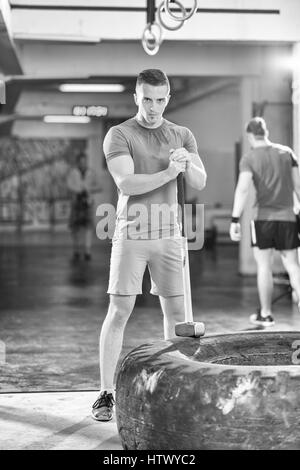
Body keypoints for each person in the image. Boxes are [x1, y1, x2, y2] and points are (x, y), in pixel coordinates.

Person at [91, 69, 207, 421]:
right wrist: (170, 173)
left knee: (175, 315)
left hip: (170, 235)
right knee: (119, 311)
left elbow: (200, 181)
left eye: (159, 99)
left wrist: (188, 165)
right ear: (136, 97)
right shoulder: (120, 134)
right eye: (146, 99)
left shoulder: (182, 134)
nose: (153, 107)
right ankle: (106, 393)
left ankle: (175, 389)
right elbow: (127, 183)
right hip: (132, 233)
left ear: (168, 97)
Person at [230, 116, 300, 326]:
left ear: (250, 136)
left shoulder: (249, 157)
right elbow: (298, 186)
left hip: (262, 220)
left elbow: (242, 189)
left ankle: (266, 313)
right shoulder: (287, 153)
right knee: (293, 266)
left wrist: (235, 218)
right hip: (288, 217)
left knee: (264, 267)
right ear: (265, 132)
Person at [67, 152, 98, 261]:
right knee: (75, 228)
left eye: (84, 161)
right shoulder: (73, 173)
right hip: (76, 203)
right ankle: (76, 250)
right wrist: (79, 190)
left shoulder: (91, 173)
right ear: (78, 162)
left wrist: (89, 190)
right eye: (81, 162)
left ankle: (87, 251)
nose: (83, 163)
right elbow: (69, 185)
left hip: (88, 203)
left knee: (88, 226)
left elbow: (97, 185)